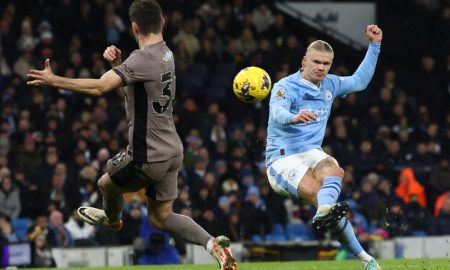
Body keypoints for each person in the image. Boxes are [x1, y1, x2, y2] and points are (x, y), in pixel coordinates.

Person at [27, 1, 237, 269]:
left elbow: (100, 87)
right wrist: (120, 66)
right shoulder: (167, 54)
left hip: (147, 155)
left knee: (105, 183)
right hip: (172, 151)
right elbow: (138, 93)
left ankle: (113, 220)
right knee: (161, 218)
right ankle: (213, 245)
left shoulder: (141, 59)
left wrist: (54, 80)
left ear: (134, 27)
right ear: (162, 23)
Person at [265, 25, 383, 270]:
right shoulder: (284, 86)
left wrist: (375, 46)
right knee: (323, 198)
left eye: (326, 64)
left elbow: (359, 81)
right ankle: (333, 219)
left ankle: (366, 261)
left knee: (334, 170)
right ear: (304, 61)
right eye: (317, 62)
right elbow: (277, 112)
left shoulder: (330, 84)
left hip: (311, 152)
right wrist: (293, 117)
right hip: (282, 159)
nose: (321, 67)